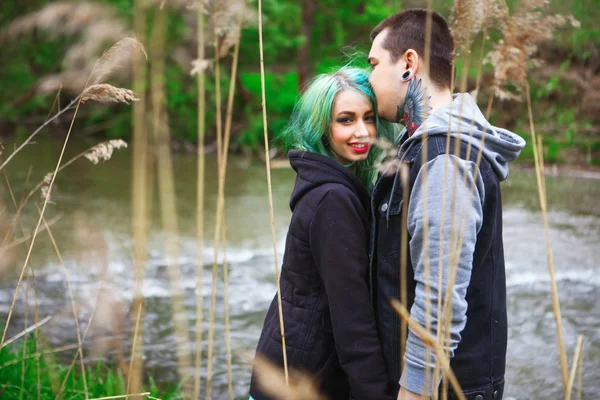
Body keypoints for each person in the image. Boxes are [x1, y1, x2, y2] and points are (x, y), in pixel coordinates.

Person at [366, 9, 526, 400]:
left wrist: (413, 392)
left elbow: (440, 301)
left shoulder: (444, 158)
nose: (369, 79)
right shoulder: (426, 148)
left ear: (408, 63)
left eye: (373, 64)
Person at [248, 67, 397, 400]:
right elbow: (352, 319)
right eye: (346, 120)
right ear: (322, 127)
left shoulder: (328, 184)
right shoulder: (333, 199)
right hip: (301, 382)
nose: (363, 132)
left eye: (369, 118)